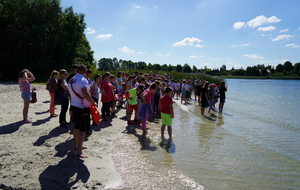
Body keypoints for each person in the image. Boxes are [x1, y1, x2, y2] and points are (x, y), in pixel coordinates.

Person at [68, 64, 97, 158]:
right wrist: (93, 102)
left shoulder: (72, 79)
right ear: (84, 72)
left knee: (76, 127)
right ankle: (79, 151)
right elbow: (85, 93)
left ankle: (76, 145)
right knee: (83, 129)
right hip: (82, 107)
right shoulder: (83, 80)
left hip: (74, 105)